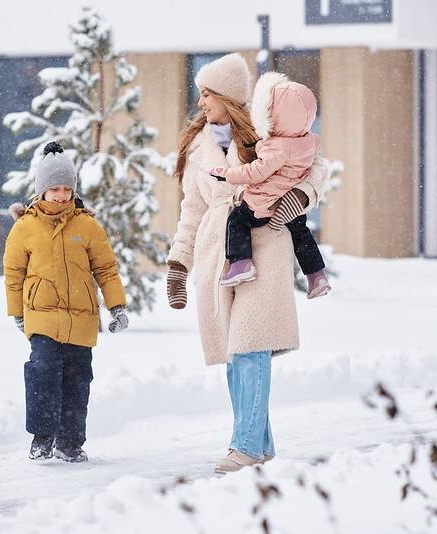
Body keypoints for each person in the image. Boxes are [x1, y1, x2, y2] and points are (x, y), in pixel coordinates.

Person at [165, 53, 330, 474]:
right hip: (216, 252)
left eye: (207, 94)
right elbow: (191, 210)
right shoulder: (197, 147)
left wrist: (301, 196)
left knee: (251, 344)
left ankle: (246, 447)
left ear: (226, 96)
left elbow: (316, 165)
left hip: (265, 243)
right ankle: (261, 444)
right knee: (235, 355)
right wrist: (179, 263)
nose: (200, 103)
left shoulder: (266, 130)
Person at [3, 142, 128, 463]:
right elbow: (13, 274)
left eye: (66, 189)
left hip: (81, 318)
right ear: (41, 190)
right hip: (41, 316)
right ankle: (43, 437)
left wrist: (117, 306)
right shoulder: (25, 227)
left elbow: (106, 269)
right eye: (54, 189)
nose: (60, 195)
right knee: (43, 372)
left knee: (77, 379)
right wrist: (17, 313)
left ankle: (69, 443)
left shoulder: (87, 226)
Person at [210, 72, 330, 298]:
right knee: (302, 234)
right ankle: (316, 275)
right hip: (287, 205)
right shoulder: (309, 142)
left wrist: (228, 175)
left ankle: (241, 263)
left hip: (264, 203)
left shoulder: (276, 147)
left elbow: (256, 172)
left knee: (237, 220)